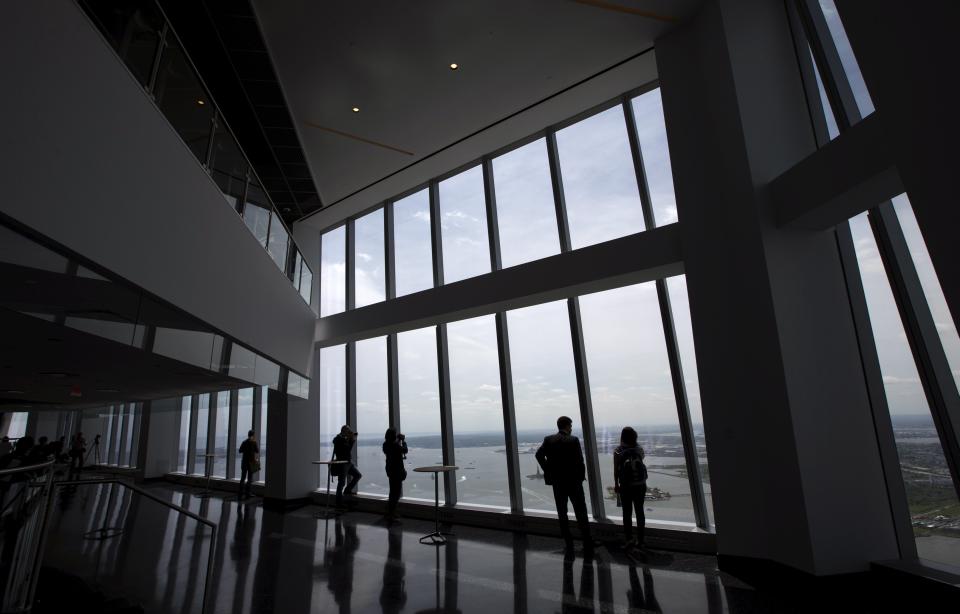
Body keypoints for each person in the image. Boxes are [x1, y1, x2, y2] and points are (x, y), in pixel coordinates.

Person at [535, 416, 594, 550]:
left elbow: (538, 455)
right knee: (580, 511)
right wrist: (580, 477)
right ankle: (587, 541)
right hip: (573, 482)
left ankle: (568, 542)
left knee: (562, 512)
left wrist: (548, 470)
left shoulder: (549, 440)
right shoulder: (573, 440)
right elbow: (580, 461)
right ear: (567, 426)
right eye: (571, 426)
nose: (571, 429)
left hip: (557, 482)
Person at [613, 426, 648, 549]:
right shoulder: (639, 449)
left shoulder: (618, 451)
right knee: (640, 512)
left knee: (627, 513)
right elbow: (641, 459)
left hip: (626, 486)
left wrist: (616, 484)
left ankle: (629, 539)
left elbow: (616, 470)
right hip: (640, 485)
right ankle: (641, 541)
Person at [332, 425, 361, 506]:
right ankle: (339, 502)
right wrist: (350, 439)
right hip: (342, 463)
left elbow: (348, 449)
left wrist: (350, 439)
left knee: (358, 475)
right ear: (344, 431)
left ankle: (347, 490)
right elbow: (345, 448)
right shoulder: (338, 439)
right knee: (341, 482)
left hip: (348, 462)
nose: (349, 433)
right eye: (348, 431)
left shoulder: (344, 439)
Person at [382, 428, 408, 519]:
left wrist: (398, 440)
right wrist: (403, 441)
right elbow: (405, 450)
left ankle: (390, 511)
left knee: (392, 491)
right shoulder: (395, 446)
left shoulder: (385, 445)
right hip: (397, 470)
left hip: (390, 470)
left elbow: (393, 447)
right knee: (396, 493)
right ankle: (392, 512)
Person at [238, 430, 259, 498]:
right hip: (251, 462)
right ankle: (248, 493)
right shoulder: (254, 442)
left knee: (243, 478)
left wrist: (245, 450)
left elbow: (240, 450)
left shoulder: (244, 442)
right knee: (250, 478)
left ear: (248, 435)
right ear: (253, 435)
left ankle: (240, 492)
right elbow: (257, 451)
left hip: (244, 462)